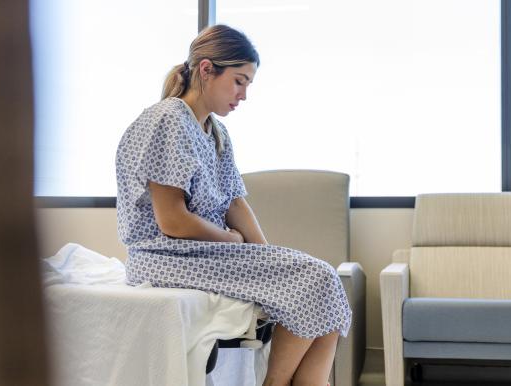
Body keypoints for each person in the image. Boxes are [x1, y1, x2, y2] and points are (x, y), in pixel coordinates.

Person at [115, 24, 351, 386]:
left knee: (325, 292)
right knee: (317, 278)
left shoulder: (215, 131)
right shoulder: (166, 121)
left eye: (248, 84)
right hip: (166, 255)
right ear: (207, 70)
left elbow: (235, 203)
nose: (243, 94)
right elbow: (172, 222)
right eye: (239, 81)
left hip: (204, 251)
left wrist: (267, 257)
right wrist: (234, 243)